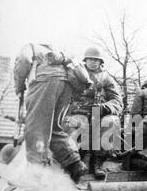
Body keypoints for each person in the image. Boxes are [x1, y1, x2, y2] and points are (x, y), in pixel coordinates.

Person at [13, 43, 93, 183]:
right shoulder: (55, 50)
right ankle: (74, 164)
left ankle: (35, 175)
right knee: (54, 128)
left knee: (35, 129)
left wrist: (19, 86)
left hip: (45, 81)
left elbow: (24, 61)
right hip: (66, 84)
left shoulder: (29, 46)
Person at [66, 47, 123, 179]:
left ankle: (98, 162)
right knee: (75, 125)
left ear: (100, 62)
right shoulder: (75, 74)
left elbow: (117, 100)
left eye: (96, 60)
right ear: (85, 60)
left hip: (99, 113)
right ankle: (73, 163)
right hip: (78, 112)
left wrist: (104, 107)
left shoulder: (106, 78)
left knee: (110, 122)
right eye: (90, 59)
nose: (93, 62)